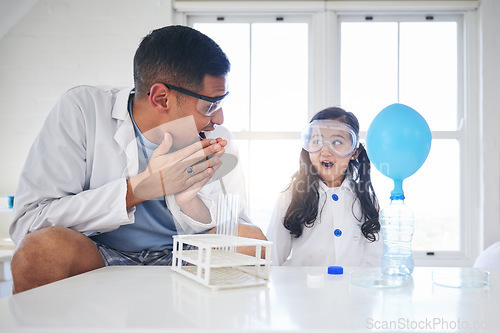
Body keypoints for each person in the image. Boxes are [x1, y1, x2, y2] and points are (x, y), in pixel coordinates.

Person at [9, 25, 265, 293]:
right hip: (101, 255)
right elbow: (28, 225)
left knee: (249, 242)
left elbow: (232, 225)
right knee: (38, 253)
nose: (220, 119)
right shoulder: (83, 110)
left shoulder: (218, 139)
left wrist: (190, 204)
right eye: (210, 105)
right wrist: (140, 188)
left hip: (184, 256)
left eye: (221, 103)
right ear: (161, 98)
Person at [266, 107, 382, 266]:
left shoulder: (366, 200)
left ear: (354, 152)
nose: (326, 151)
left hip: (352, 290)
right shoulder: (290, 196)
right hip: (302, 290)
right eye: (317, 141)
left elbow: (375, 261)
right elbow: (273, 258)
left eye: (337, 142)